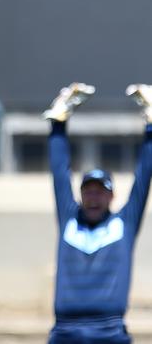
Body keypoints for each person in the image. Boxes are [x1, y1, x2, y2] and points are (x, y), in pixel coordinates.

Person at [43, 83, 152, 344]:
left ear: (111, 196)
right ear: (81, 195)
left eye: (100, 191)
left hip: (110, 331)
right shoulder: (70, 218)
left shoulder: (123, 223)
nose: (94, 197)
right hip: (65, 331)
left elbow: (143, 177)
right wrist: (58, 123)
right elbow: (60, 173)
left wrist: (150, 125)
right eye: (88, 191)